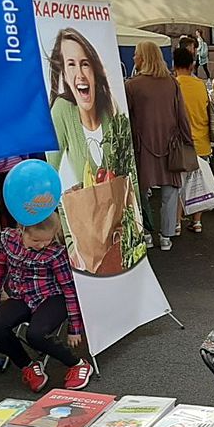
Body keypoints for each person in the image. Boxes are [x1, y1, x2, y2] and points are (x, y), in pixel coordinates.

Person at [46, 27, 144, 272]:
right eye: (71, 65)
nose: (80, 73)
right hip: (83, 246)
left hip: (120, 239)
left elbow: (128, 176)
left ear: (95, 69)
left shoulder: (111, 110)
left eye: (85, 64)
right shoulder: (62, 111)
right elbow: (51, 180)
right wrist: (71, 244)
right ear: (63, 72)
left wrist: (136, 231)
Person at [0, 213, 93, 392]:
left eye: (47, 240)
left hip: (52, 296)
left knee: (35, 334)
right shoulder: (7, 240)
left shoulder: (56, 252)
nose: (41, 245)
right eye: (35, 240)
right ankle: (28, 365)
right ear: (22, 230)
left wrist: (74, 328)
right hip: (21, 296)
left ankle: (77, 364)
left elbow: (69, 290)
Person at [125, 41, 195, 250]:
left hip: (142, 145)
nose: (134, 58)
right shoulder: (172, 83)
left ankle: (146, 232)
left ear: (143, 57)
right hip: (170, 145)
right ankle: (166, 236)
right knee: (170, 191)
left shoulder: (132, 85)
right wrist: (188, 141)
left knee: (141, 191)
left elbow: (126, 118)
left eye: (136, 54)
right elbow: (182, 116)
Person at [174, 46, 213, 234]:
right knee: (198, 183)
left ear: (174, 65)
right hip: (202, 141)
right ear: (192, 65)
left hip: (181, 143)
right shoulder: (200, 85)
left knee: (178, 184)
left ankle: (177, 222)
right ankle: (197, 222)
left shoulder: (174, 85)